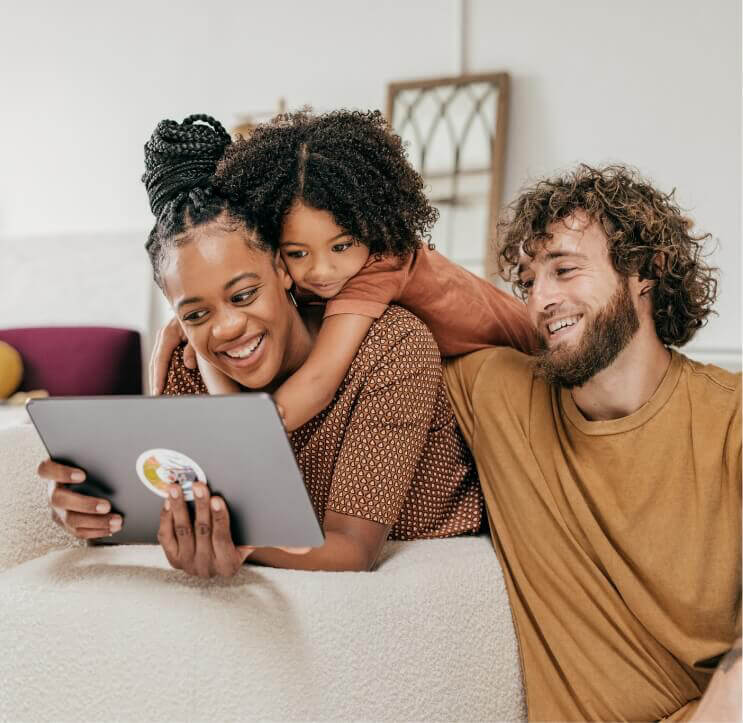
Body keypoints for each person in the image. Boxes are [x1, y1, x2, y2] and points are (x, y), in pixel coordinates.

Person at [38, 114, 513, 575]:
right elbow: (178, 505)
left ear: (281, 271)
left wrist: (241, 544)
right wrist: (99, 516)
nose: (225, 328)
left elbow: (351, 549)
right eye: (196, 314)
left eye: (244, 295)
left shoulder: (391, 344)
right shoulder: (188, 363)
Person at [443, 164, 741, 721]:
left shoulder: (731, 416)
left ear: (645, 273)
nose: (540, 301)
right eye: (529, 282)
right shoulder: (500, 395)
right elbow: (398, 283)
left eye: (565, 269)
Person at [150, 109, 536, 431]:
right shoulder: (332, 272)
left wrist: (238, 437)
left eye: (342, 246)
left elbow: (318, 384)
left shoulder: (378, 267)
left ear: (372, 225)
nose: (321, 271)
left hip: (531, 354)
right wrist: (188, 323)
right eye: (297, 253)